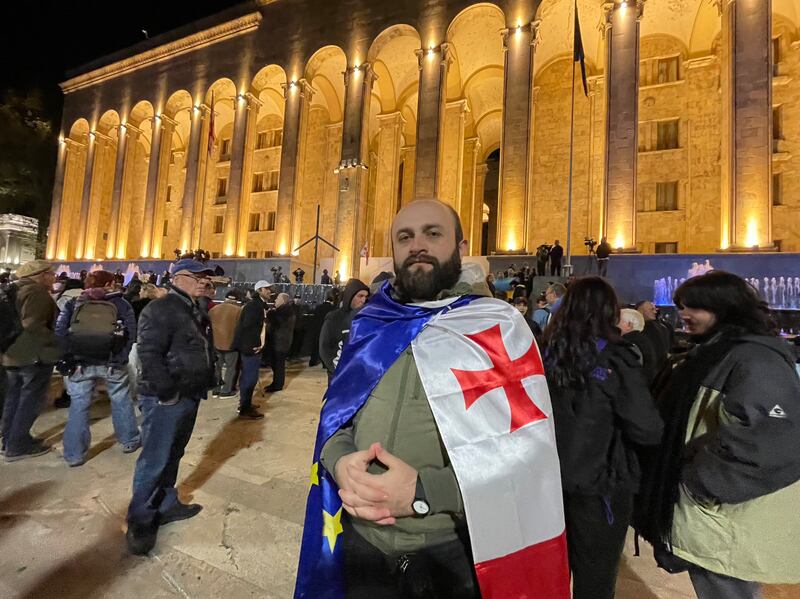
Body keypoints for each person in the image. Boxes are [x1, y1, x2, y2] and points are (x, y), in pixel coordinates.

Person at [295, 199, 570, 599]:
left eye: (433, 233)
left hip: (447, 553)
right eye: (405, 237)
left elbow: (527, 458)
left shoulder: (498, 327)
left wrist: (424, 493)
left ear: (460, 248)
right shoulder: (372, 323)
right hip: (362, 545)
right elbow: (339, 418)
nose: (417, 245)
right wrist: (339, 462)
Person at [636, 271, 800, 599]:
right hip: (716, 512)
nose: (683, 313)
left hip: (728, 512)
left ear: (725, 308)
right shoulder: (713, 351)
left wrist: (697, 481)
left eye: (694, 307)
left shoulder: (755, 359)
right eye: (682, 305)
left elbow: (768, 439)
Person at [542, 277, 663, 599]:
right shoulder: (616, 359)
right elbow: (647, 428)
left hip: (547, 486)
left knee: (550, 576)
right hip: (600, 488)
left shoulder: (544, 355)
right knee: (594, 580)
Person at [125, 258, 217, 555]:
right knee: (154, 458)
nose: (205, 282)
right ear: (177, 278)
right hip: (167, 398)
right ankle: (140, 520)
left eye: (207, 278)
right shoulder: (161, 308)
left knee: (173, 453)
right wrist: (167, 393)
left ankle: (166, 504)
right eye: (198, 276)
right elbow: (148, 354)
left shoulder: (194, 309)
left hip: (188, 394)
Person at [54, 270, 141, 467]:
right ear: (110, 283)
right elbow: (131, 334)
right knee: (120, 400)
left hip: (79, 363)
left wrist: (70, 356)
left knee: (79, 405)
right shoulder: (121, 304)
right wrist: (120, 357)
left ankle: (74, 454)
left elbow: (60, 332)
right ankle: (129, 440)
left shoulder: (74, 303)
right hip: (111, 363)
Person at [1, 260, 62, 461]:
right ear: (41, 274)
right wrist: (58, 343)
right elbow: (33, 325)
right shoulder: (37, 293)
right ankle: (18, 445)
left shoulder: (14, 290)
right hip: (33, 355)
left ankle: (8, 439)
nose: (54, 277)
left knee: (14, 397)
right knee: (30, 400)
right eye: (51, 273)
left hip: (11, 353)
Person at [232, 280, 271, 419]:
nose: (269, 291)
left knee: (250, 378)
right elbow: (249, 326)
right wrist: (255, 344)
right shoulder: (254, 306)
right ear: (260, 290)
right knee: (249, 378)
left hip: (252, 347)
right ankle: (244, 408)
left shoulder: (258, 305)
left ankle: (246, 403)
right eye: (267, 289)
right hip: (250, 348)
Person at [319, 278, 369, 380]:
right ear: (350, 296)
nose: (363, 300)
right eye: (360, 296)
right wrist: (335, 368)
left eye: (366, 296)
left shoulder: (365, 318)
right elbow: (324, 346)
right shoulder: (334, 317)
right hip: (337, 375)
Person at [209, 290, 243, 399]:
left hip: (215, 343)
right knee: (230, 368)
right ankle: (226, 391)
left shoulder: (213, 309)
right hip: (231, 344)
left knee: (217, 367)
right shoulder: (239, 310)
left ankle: (216, 390)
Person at [264, 292, 296, 392]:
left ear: (283, 300)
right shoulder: (286, 310)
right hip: (281, 342)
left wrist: (270, 313)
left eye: (277, 298)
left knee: (278, 365)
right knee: (277, 364)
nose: (275, 300)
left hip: (280, 342)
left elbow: (277, 321)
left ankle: (277, 385)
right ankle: (276, 383)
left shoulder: (284, 311)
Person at [618, 308, 659, 385]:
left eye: (618, 321)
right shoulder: (643, 340)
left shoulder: (629, 343)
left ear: (629, 325)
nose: (614, 324)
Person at [308, 291, 339, 367]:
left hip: (317, 329)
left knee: (315, 346)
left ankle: (312, 361)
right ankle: (325, 363)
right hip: (327, 330)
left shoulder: (319, 307)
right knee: (325, 346)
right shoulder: (333, 309)